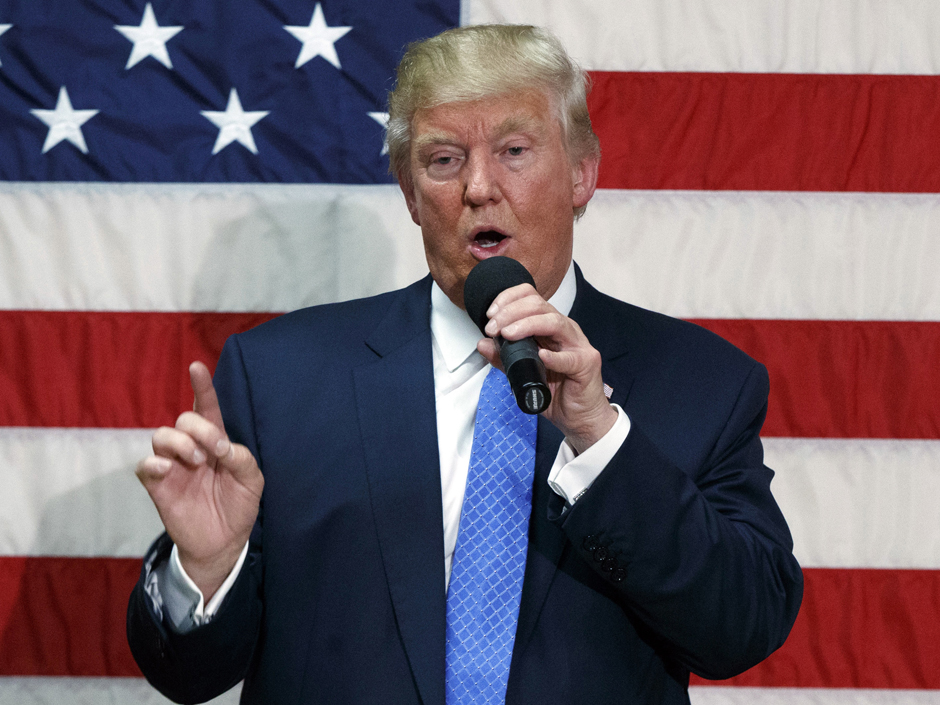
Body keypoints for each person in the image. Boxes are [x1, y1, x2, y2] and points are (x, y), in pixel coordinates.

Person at [127, 24, 802, 705]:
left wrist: (601, 439)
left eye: (514, 150)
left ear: (581, 173)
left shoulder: (703, 382)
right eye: (444, 160)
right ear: (411, 194)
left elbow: (742, 629)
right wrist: (207, 570)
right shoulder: (279, 378)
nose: (480, 187)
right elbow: (188, 676)